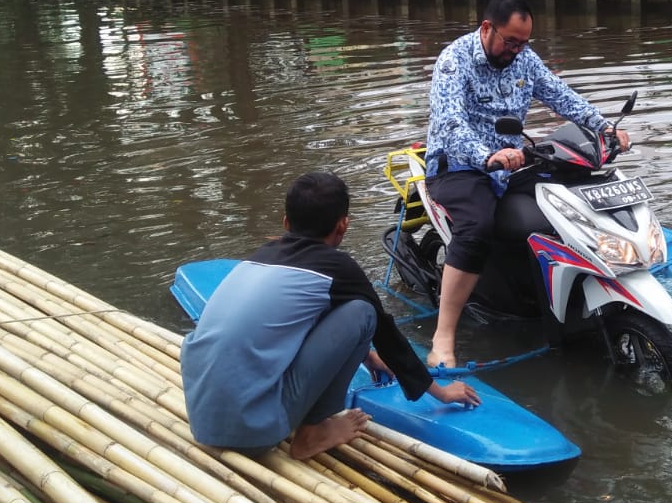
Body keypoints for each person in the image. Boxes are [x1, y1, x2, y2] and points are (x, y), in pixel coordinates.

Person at [181, 172, 479, 460]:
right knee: (363, 312)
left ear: (286, 222)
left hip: (201, 418)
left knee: (342, 306)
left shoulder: (257, 259)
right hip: (253, 430)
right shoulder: (338, 267)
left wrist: (365, 354)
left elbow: (306, 312)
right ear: (343, 226)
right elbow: (385, 332)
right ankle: (312, 434)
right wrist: (440, 392)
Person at [423, 0, 630, 368]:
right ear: (487, 28)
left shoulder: (524, 59)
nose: (516, 50)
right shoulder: (454, 62)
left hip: (513, 163)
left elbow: (560, 95)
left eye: (523, 43)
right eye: (510, 41)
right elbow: (450, 125)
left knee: (569, 207)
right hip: (458, 166)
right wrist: (487, 156)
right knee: (476, 226)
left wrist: (605, 127)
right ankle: (444, 336)